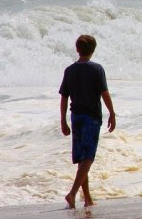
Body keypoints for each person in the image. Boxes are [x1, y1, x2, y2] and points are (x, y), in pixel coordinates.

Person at [58, 34, 116, 209]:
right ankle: (73, 193)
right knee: (88, 158)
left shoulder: (69, 70)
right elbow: (104, 93)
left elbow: (64, 98)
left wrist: (63, 120)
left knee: (83, 159)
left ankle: (88, 199)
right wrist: (112, 113)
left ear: (77, 49)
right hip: (91, 117)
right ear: (93, 50)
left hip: (76, 117)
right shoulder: (97, 69)